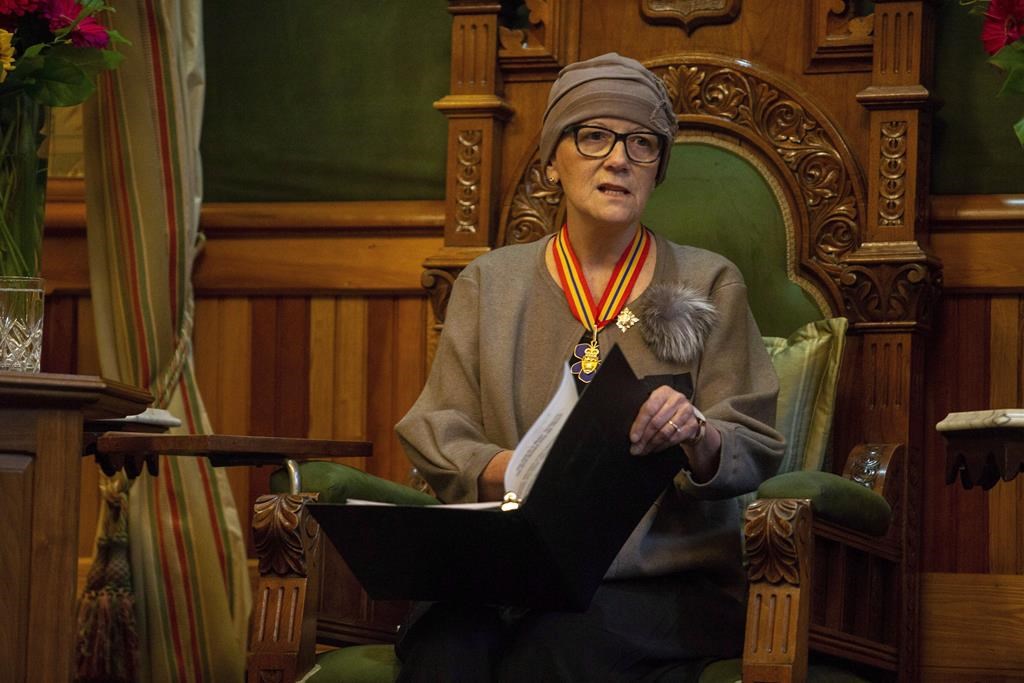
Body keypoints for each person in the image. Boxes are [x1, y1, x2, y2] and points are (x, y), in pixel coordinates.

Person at [393, 52, 785, 682]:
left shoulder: (710, 281)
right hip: (506, 568)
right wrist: (509, 471)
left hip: (654, 584)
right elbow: (439, 426)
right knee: (446, 651)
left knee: (552, 652)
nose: (619, 158)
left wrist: (696, 436)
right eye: (594, 135)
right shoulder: (489, 284)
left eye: (642, 143)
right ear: (552, 160)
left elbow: (754, 442)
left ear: (657, 170)